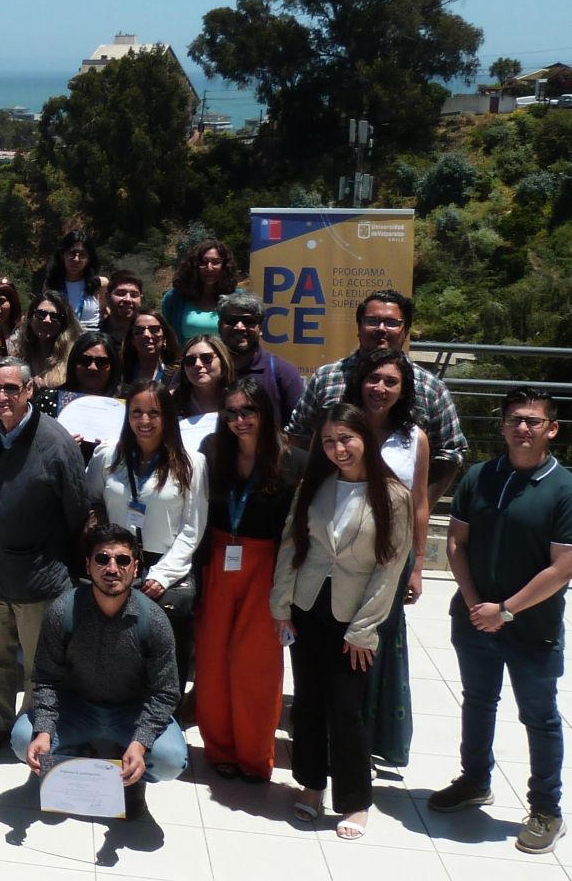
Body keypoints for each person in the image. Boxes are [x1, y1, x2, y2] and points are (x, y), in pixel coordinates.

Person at [430, 388, 572, 855]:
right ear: (502, 425)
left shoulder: (567, 491)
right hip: (475, 617)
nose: (523, 428)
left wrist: (506, 610)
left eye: (534, 421)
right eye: (515, 419)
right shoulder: (479, 477)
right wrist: (477, 602)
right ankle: (475, 780)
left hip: (530, 627)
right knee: (478, 702)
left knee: (539, 718)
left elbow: (562, 568)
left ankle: (546, 809)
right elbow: (457, 543)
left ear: (551, 430)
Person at [271, 402, 411, 840]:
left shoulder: (393, 496)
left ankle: (355, 801)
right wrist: (281, 606)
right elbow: (292, 544)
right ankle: (311, 784)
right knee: (308, 702)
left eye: (346, 438)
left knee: (347, 709)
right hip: (309, 606)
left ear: (366, 438)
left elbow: (389, 569)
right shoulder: (315, 485)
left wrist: (365, 628)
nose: (337, 448)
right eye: (329, 441)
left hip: (354, 617)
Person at [13, 523, 188, 819]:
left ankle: (133, 781)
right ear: (88, 565)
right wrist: (44, 729)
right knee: (22, 740)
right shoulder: (63, 611)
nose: (112, 568)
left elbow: (165, 691)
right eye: (102, 559)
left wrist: (141, 742)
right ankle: (77, 760)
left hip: (130, 712)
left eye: (122, 560)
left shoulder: (154, 621)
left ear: (135, 568)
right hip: (76, 708)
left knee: (171, 760)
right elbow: (45, 678)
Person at [0, 356, 91, 755]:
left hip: (37, 579)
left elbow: (76, 512)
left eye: (11, 389)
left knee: (41, 666)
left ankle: (36, 731)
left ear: (29, 391)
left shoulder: (56, 443)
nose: (2, 397)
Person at [195, 377, 300, 783]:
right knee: (214, 659)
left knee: (255, 664)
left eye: (248, 411)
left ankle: (256, 756)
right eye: (232, 412)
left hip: (266, 566)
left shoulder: (295, 461)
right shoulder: (212, 450)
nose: (240, 419)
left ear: (265, 413)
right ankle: (219, 748)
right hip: (218, 559)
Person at [287, 289, 468, 500]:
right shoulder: (326, 378)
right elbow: (298, 436)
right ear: (359, 327)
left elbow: (449, 453)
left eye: (391, 322)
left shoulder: (431, 387)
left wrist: (417, 505)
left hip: (396, 512)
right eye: (372, 321)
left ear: (405, 331)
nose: (381, 329)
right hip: (328, 506)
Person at [86, 380, 206, 686]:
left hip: (164, 568)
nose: (144, 421)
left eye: (154, 413)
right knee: (120, 659)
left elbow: (193, 528)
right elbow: (93, 499)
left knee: (164, 664)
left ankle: (166, 727)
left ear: (167, 416)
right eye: (137, 412)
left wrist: (162, 574)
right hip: (116, 566)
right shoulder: (108, 455)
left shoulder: (192, 462)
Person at [351, 348, 432, 770]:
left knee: (380, 649)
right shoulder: (339, 426)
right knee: (339, 646)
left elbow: (420, 503)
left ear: (403, 390)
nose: (380, 388)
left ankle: (372, 740)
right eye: (373, 379)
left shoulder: (414, 438)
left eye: (391, 382)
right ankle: (338, 734)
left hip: (390, 562)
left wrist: (417, 564)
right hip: (340, 559)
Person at [216, 291, 303, 426]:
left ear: (260, 328)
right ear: (219, 326)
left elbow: (299, 430)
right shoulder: (200, 368)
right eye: (232, 320)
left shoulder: (283, 373)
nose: (240, 327)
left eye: (249, 321)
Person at [33, 331, 119, 428]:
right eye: (85, 360)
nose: (92, 367)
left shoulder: (128, 401)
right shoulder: (50, 398)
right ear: (73, 362)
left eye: (102, 362)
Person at [160, 238, 237, 343]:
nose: (209, 268)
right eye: (203, 262)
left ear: (224, 266)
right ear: (194, 265)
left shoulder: (237, 299)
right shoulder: (174, 298)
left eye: (216, 262)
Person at [169, 334, 235, 444]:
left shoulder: (239, 402)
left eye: (207, 358)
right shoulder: (170, 402)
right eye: (190, 360)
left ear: (223, 362)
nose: (197, 364)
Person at [13, 290, 82, 391]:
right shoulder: (18, 354)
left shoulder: (74, 358)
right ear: (30, 317)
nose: (47, 320)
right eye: (40, 314)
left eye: (55, 317)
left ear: (64, 323)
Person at [37, 231, 106, 331]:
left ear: (89, 259)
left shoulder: (100, 284)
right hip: (63, 340)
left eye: (82, 255)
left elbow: (106, 314)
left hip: (92, 342)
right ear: (62, 255)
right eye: (72, 253)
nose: (76, 259)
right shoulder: (51, 284)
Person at [117, 305, 180, 388]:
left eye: (154, 329)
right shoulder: (120, 373)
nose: (146, 335)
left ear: (165, 337)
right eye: (138, 330)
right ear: (132, 339)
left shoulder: (179, 374)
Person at [101, 269, 144, 361]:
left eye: (134, 295)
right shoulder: (94, 334)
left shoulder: (149, 337)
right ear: (107, 297)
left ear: (141, 299)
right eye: (121, 293)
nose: (128, 299)